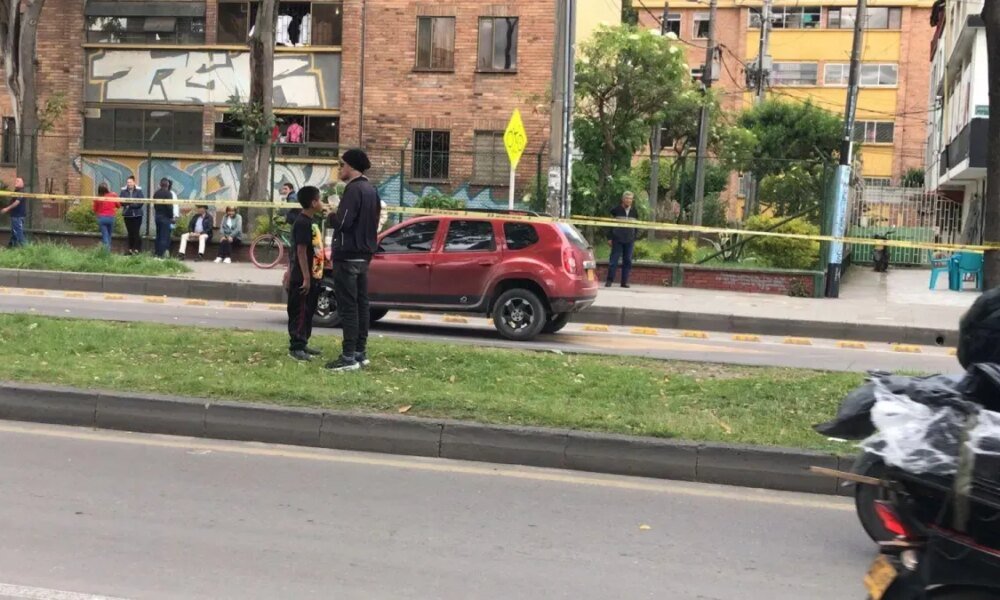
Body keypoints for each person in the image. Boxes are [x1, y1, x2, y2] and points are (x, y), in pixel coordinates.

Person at [326, 149, 381, 372]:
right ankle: (360, 351)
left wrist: (331, 215)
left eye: (342, 165)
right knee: (361, 304)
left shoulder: (353, 190)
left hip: (347, 254)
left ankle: (348, 357)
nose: (340, 169)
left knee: (348, 306)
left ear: (350, 166)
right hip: (365, 254)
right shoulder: (372, 190)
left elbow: (344, 222)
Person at [284, 186, 325, 362]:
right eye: (320, 199)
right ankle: (296, 346)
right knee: (299, 311)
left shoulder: (311, 221)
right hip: (302, 277)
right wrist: (306, 277)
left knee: (308, 311)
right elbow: (300, 251)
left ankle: (304, 341)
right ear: (313, 202)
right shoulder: (302, 222)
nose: (322, 202)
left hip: (313, 274)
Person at [606, 191, 639, 289]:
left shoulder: (634, 211)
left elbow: (637, 226)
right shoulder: (615, 210)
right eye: (627, 198)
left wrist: (634, 237)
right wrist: (609, 238)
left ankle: (624, 282)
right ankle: (609, 280)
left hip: (629, 240)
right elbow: (608, 225)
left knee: (627, 261)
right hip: (617, 239)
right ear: (623, 199)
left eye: (630, 199)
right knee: (614, 261)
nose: (628, 200)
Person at [119, 176, 145, 255]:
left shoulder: (139, 191)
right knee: (130, 232)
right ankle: (130, 249)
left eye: (130, 182)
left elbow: (140, 203)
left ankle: (136, 249)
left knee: (136, 232)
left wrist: (130, 205)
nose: (129, 184)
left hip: (137, 215)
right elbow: (121, 202)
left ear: (134, 182)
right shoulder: (123, 191)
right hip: (127, 215)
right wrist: (130, 203)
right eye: (128, 182)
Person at [93, 182, 120, 251]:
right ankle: (108, 251)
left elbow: (94, 209)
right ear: (107, 188)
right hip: (111, 217)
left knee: (105, 236)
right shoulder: (113, 195)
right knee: (109, 235)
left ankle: (106, 252)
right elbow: (118, 205)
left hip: (102, 218)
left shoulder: (97, 198)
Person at [152, 178, 175, 258]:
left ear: (160, 184)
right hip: (165, 218)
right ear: (168, 185)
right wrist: (171, 217)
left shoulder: (156, 193)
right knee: (164, 236)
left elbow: (154, 205)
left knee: (158, 236)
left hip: (157, 216)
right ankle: (161, 255)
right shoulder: (168, 194)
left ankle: (157, 253)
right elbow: (169, 207)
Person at [2, 177, 27, 247]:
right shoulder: (16, 191)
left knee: (18, 233)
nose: (16, 182)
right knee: (14, 233)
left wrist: (6, 209)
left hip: (18, 216)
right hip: (15, 215)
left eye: (18, 181)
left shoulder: (21, 192)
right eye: (16, 181)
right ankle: (10, 247)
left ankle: (25, 248)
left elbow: (16, 203)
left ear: (22, 183)